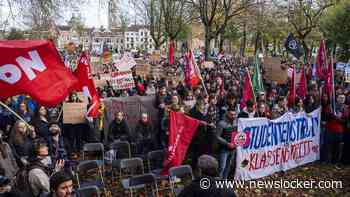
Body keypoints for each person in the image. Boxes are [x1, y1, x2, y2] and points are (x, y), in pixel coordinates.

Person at [216, 108, 237, 179]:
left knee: (228, 166)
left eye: (234, 114)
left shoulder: (236, 122)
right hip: (224, 149)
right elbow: (217, 136)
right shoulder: (221, 123)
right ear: (227, 114)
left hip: (233, 149)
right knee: (222, 167)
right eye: (231, 114)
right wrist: (227, 143)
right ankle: (218, 183)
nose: (233, 116)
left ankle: (224, 182)